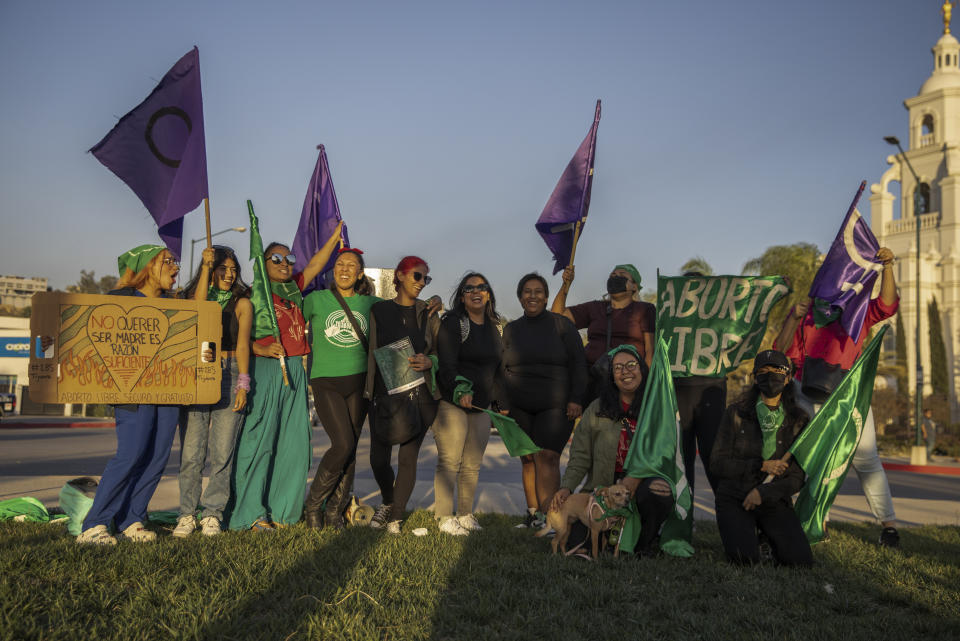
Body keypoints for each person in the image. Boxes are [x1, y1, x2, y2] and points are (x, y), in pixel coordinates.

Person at [773, 246, 900, 547]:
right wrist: (793, 317)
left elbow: (887, 304)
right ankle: (819, 521)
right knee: (814, 459)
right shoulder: (805, 315)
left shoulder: (855, 311)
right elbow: (779, 353)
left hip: (848, 394)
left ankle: (889, 525)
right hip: (807, 393)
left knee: (866, 458)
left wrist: (889, 267)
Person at [226, 223, 343, 531]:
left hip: (294, 369)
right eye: (275, 259)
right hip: (266, 369)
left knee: (294, 444)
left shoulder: (295, 290)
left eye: (288, 258)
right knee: (260, 440)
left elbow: (316, 262)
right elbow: (236, 341)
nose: (284, 264)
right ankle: (251, 513)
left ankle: (283, 512)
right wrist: (260, 349)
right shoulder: (254, 296)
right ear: (263, 265)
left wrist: (333, 237)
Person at [76, 245, 181, 545]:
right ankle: (94, 524)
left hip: (170, 388)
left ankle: (132, 518)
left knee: (158, 456)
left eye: (176, 261)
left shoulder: (178, 303)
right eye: (168, 261)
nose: (175, 267)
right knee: (132, 453)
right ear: (148, 266)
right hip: (132, 392)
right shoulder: (120, 300)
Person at [551, 345, 674, 556]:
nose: (625, 371)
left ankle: (644, 544)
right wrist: (567, 487)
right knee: (575, 544)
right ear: (611, 377)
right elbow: (580, 455)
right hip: (603, 492)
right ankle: (611, 540)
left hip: (640, 484)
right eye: (617, 368)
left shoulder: (655, 408)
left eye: (631, 365)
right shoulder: (596, 409)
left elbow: (663, 452)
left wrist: (635, 478)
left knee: (658, 491)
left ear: (642, 371)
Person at [173, 246, 253, 538]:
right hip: (198, 371)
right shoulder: (191, 296)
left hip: (230, 370)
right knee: (192, 452)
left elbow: (244, 344)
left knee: (222, 452)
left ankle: (212, 515)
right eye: (223, 269)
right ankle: (186, 514)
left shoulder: (242, 302)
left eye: (233, 270)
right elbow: (197, 312)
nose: (230, 275)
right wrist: (206, 269)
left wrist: (243, 383)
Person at [710, 350, 813, 566]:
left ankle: (767, 537)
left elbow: (797, 477)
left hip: (773, 497)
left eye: (777, 370)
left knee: (800, 561)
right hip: (735, 496)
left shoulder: (799, 419)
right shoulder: (736, 413)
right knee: (743, 559)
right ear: (755, 378)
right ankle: (752, 538)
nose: (770, 376)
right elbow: (717, 464)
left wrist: (762, 492)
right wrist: (761, 466)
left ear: (787, 378)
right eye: (763, 371)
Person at [301, 248, 378, 530]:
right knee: (342, 443)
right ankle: (313, 507)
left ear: (360, 274)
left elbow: (402, 312)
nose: (344, 268)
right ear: (333, 270)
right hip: (326, 381)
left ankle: (335, 511)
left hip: (359, 385)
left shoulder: (371, 304)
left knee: (350, 448)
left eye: (352, 265)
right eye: (340, 264)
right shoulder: (315, 300)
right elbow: (286, 317)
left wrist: (431, 303)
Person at [502, 273, 587, 527]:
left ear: (547, 297)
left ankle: (553, 519)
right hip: (519, 405)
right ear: (520, 298)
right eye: (527, 291)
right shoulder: (511, 329)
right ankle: (534, 516)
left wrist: (576, 399)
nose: (533, 296)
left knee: (547, 457)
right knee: (527, 457)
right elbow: (500, 369)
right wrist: (500, 405)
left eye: (538, 291)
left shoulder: (562, 326)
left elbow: (579, 365)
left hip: (557, 404)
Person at [364, 256, 440, 534]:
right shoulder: (379, 311)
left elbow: (440, 351)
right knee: (378, 459)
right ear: (399, 276)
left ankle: (395, 519)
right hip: (384, 396)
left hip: (420, 398)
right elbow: (372, 348)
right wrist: (369, 390)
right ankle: (387, 500)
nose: (421, 283)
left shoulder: (429, 312)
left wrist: (431, 362)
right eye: (417, 277)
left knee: (408, 458)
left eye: (426, 279)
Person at [432, 272, 507, 535]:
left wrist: (500, 402)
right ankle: (443, 517)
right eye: (470, 288)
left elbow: (499, 368)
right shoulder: (453, 322)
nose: (477, 291)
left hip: (481, 404)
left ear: (489, 294)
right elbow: (447, 363)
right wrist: (459, 388)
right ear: (462, 297)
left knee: (473, 463)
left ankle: (465, 514)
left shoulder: (496, 326)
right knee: (450, 460)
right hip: (453, 401)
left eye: (482, 287)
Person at [550, 263, 655, 405]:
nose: (616, 278)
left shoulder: (644, 309)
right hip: (591, 379)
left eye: (622, 275)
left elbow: (650, 350)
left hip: (626, 380)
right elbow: (557, 316)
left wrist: (645, 385)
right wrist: (566, 285)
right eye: (613, 275)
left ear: (634, 286)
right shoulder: (595, 307)